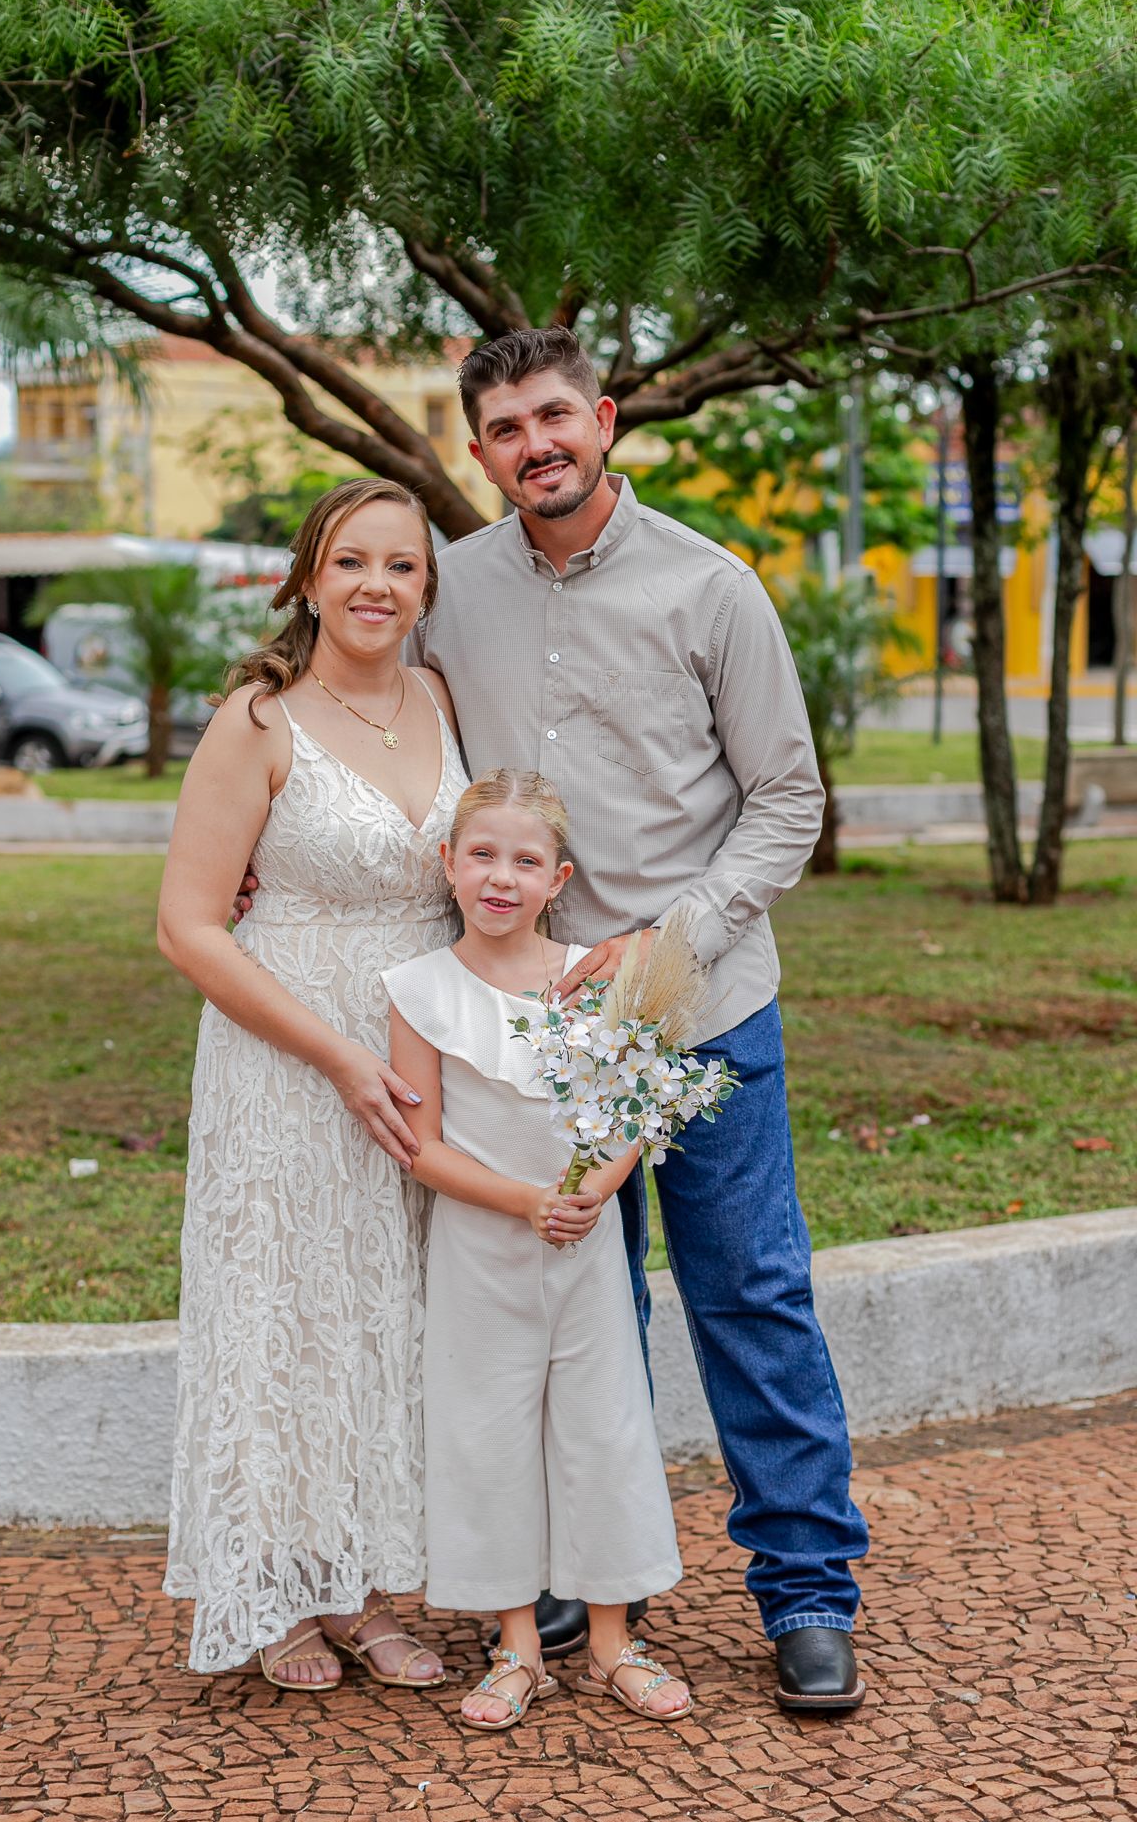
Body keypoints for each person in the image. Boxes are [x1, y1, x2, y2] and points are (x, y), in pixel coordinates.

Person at [410, 327, 869, 1712]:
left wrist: (666, 948)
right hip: (535, 1039)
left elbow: (788, 799)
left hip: (704, 1007)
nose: (534, 443)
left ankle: (806, 1594)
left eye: (556, 416)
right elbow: (381, 728)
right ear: (478, 448)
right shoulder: (453, 590)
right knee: (571, 1308)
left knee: (752, 1296)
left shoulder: (710, 586)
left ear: (601, 420)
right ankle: (567, 1578)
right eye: (504, 427)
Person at [157, 476, 470, 1689]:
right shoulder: (257, 718)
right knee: (281, 1312)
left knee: (391, 1315)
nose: (375, 587)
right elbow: (190, 925)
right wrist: (336, 1055)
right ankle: (275, 1590)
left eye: (400, 566)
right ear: (306, 577)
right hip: (289, 1057)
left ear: (425, 587)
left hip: (420, 1051)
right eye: (350, 563)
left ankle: (374, 1588)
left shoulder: (444, 698)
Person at [383, 769, 691, 1730]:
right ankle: (517, 1643)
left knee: (602, 1425)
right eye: (482, 855)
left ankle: (613, 1642)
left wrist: (597, 1187)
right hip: (481, 1243)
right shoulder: (419, 989)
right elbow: (423, 1145)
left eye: (525, 861)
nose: (501, 878)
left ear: (559, 879)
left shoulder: (593, 975)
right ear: (448, 865)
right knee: (488, 1431)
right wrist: (525, 1201)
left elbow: (639, 1098)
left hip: (585, 1244)